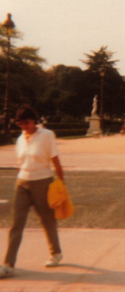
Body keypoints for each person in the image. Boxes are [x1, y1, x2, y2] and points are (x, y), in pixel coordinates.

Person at [0, 106, 64, 279]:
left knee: (46, 219)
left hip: (42, 181)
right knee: (16, 224)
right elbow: (22, 162)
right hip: (22, 182)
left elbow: (56, 161)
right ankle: (8, 264)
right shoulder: (20, 138)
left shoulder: (46, 135)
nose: (24, 127)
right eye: (20, 124)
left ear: (34, 120)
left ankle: (56, 252)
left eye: (26, 122)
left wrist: (60, 185)